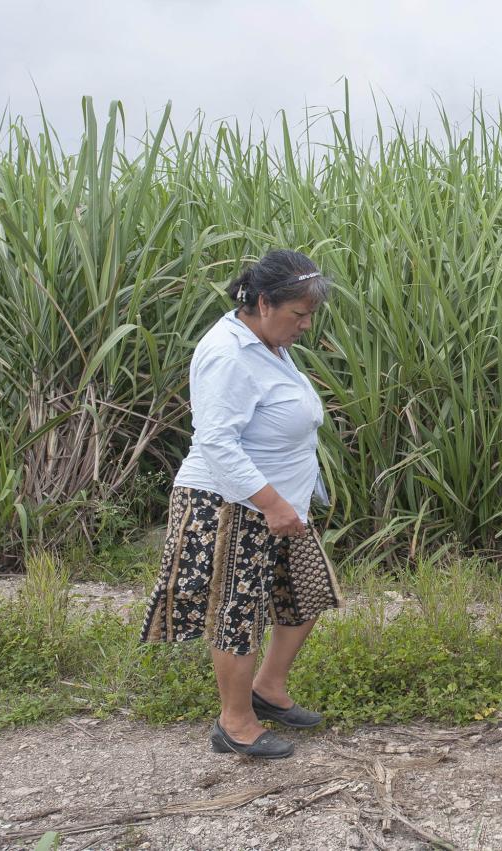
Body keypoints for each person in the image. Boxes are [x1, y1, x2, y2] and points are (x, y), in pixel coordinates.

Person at [141, 249, 342, 759]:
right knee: (237, 611)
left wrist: (286, 501)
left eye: (309, 314)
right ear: (262, 302)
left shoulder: (267, 343)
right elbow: (217, 442)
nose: (306, 325)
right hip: (232, 503)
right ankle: (235, 723)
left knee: (305, 595)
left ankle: (268, 689)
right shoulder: (228, 353)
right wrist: (271, 502)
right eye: (298, 314)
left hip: (281, 504)